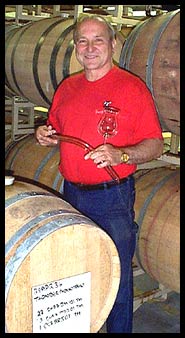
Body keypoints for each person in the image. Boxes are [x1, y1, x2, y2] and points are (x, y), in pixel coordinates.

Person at [35, 15, 164, 333]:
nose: (89, 47)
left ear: (113, 44)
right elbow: (57, 131)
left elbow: (156, 145)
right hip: (71, 194)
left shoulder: (132, 89)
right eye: (82, 40)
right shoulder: (68, 87)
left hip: (112, 197)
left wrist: (122, 153)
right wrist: (45, 135)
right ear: (75, 47)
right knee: (75, 272)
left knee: (116, 275)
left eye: (98, 40)